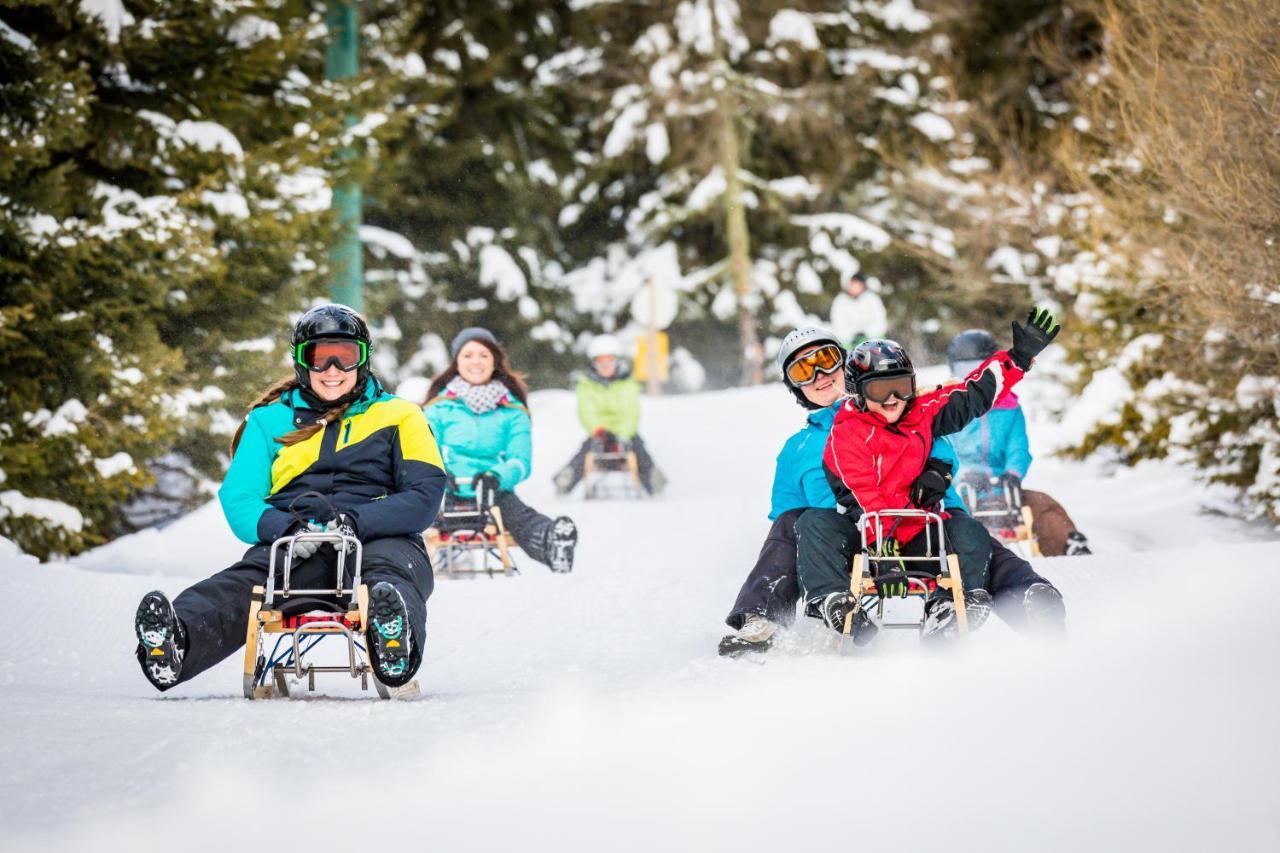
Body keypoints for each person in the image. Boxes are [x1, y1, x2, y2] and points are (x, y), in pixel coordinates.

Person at [133, 304, 446, 691]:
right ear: (301, 362)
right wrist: (285, 528)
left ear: (363, 359)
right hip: (297, 541)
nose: (332, 369)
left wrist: (355, 521)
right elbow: (239, 496)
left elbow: (425, 493)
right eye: (318, 357)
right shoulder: (267, 421)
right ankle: (175, 640)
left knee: (389, 574)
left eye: (346, 357)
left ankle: (394, 640)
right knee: (247, 583)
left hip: (380, 534)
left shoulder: (401, 416)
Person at [796, 308, 1062, 640]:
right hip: (866, 537)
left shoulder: (919, 412)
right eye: (880, 391)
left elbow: (972, 394)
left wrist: (1018, 358)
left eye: (901, 387)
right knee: (813, 523)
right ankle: (833, 600)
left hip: (920, 531)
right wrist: (885, 554)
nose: (893, 399)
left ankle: (953, 603)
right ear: (859, 393)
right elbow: (866, 497)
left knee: (967, 529)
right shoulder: (847, 434)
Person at [424, 327, 578, 572]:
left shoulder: (512, 411)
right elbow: (424, 450)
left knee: (518, 516)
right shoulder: (438, 408)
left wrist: (496, 477)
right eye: (468, 355)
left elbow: (520, 460)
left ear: (495, 361)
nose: (476, 362)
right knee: (414, 513)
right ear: (457, 362)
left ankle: (551, 541)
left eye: (483, 355)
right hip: (445, 489)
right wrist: (439, 475)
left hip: (492, 490)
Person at [946, 329, 1092, 556]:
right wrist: (961, 475)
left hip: (1002, 488)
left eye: (981, 368)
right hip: (959, 490)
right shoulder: (951, 407)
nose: (974, 376)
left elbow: (1018, 449)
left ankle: (1068, 545)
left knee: (1041, 502)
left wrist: (1012, 475)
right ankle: (958, 557)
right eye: (966, 370)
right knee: (948, 514)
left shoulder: (1009, 408)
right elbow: (943, 451)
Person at [553, 334, 666, 496]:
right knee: (586, 449)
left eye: (610, 361)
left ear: (617, 362)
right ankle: (565, 480)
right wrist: (599, 432)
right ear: (594, 364)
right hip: (599, 433)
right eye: (601, 362)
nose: (606, 366)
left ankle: (654, 481)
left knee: (638, 448)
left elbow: (631, 414)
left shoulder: (628, 384)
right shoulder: (587, 386)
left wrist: (622, 435)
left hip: (625, 434)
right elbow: (587, 412)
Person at [828, 273, 888, 348]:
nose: (855, 288)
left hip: (871, 338)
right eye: (853, 284)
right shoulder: (840, 301)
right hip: (848, 341)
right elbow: (837, 322)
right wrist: (851, 336)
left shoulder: (872, 299)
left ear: (863, 286)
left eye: (858, 285)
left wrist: (867, 334)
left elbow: (880, 319)